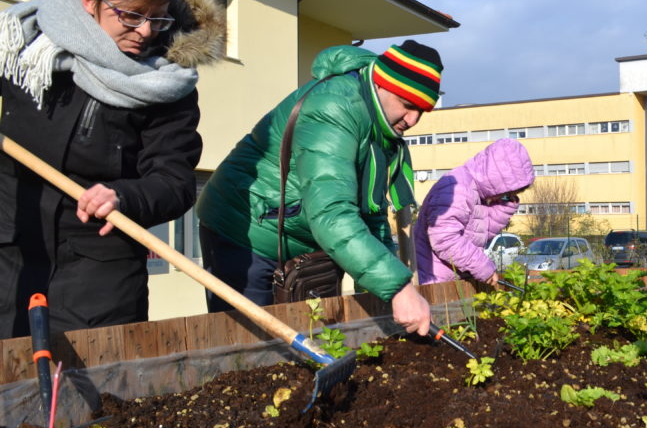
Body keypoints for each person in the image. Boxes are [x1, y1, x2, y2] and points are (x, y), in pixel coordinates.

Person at [0, 0, 225, 339]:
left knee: (98, 394)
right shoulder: (27, 43)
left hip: (100, 274)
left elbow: (174, 184)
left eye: (158, 19)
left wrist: (123, 195)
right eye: (131, 16)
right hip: (10, 251)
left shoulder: (166, 85)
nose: (145, 32)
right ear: (90, 0)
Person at [197, 40, 443, 335]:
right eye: (408, 105)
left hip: (297, 234)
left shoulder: (380, 128)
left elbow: (371, 214)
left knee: (305, 342)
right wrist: (399, 289)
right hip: (244, 230)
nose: (413, 119)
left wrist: (386, 287)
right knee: (250, 348)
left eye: (423, 111)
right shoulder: (334, 107)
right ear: (383, 85)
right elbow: (332, 212)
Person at [413, 138, 534, 286]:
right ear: (497, 178)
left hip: (451, 281)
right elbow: (445, 239)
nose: (506, 197)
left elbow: (476, 235)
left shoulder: (477, 194)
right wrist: (483, 268)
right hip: (434, 282)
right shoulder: (458, 187)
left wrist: (505, 206)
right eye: (507, 192)